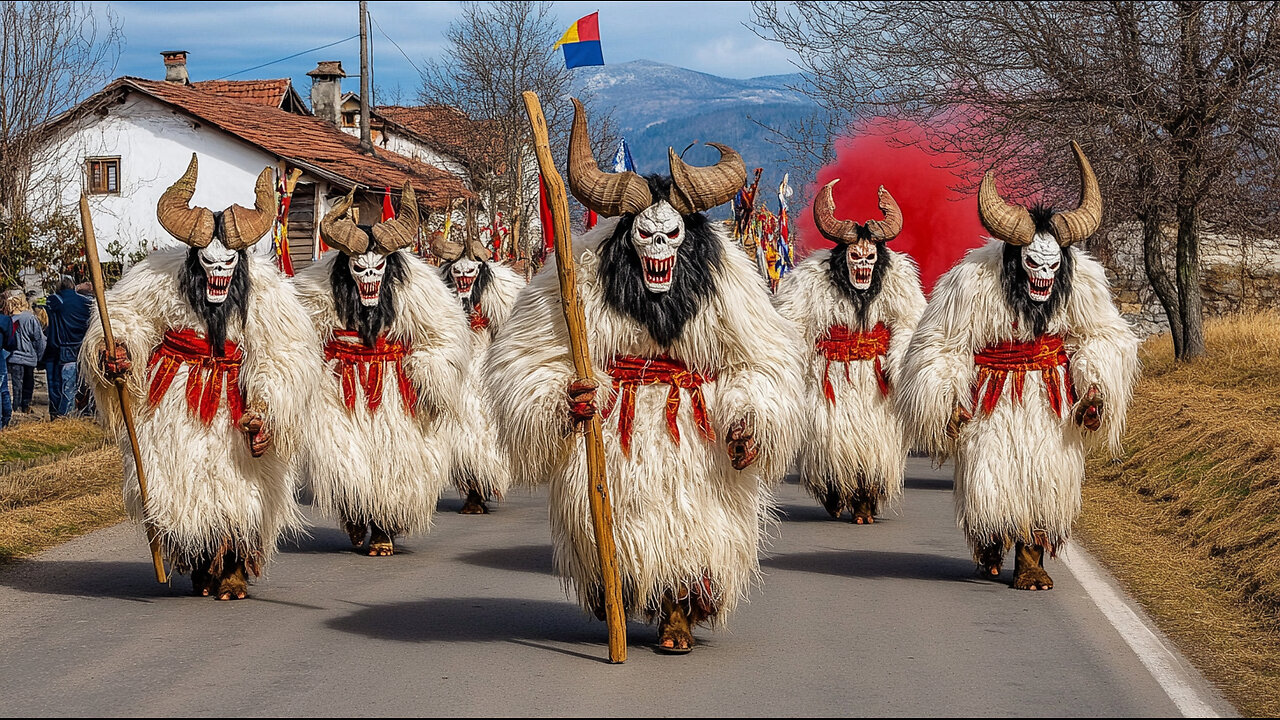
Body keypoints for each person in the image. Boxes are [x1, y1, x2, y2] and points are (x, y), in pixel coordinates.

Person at [485, 100, 804, 653]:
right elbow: (526, 355)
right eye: (646, 236)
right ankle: (632, 592)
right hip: (613, 430)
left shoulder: (728, 280)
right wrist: (563, 399)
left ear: (690, 240)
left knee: (696, 524)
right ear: (626, 238)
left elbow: (763, 359)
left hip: (694, 432)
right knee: (617, 533)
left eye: (671, 237)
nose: (658, 248)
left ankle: (678, 610)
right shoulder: (579, 273)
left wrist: (751, 415)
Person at [897, 142, 1139, 590]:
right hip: (989, 397)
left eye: (1052, 265)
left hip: (1050, 398)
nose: (1043, 274)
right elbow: (939, 342)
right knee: (988, 476)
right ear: (1014, 259)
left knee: (1046, 477)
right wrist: (945, 396)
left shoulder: (1081, 281)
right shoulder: (972, 280)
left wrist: (1095, 385)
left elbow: (1104, 335)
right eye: (1034, 264)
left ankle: (1031, 559)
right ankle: (988, 539)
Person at [82, 154, 321, 599]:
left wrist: (267, 408)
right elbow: (126, 315)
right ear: (193, 258)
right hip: (172, 403)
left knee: (241, 486)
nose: (219, 270)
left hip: (236, 402)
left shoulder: (267, 289)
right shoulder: (159, 275)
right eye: (209, 261)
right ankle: (194, 558)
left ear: (243, 257)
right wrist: (116, 349)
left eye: (229, 261)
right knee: (175, 482)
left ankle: (232, 567)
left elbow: (284, 351)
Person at [293, 184, 470, 556]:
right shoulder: (316, 286)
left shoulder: (419, 286)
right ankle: (354, 510)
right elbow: (296, 335)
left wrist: (431, 375)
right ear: (346, 266)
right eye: (360, 269)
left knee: (396, 461)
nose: (370, 277)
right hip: (339, 387)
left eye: (378, 269)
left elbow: (442, 334)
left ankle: (385, 528)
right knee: (340, 458)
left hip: (395, 388)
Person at [773, 182, 926, 524]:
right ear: (840, 259)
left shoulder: (898, 277)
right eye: (856, 257)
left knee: (878, 442)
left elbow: (910, 323)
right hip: (829, 376)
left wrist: (900, 364)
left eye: (870, 258)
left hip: (876, 378)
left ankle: (868, 497)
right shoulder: (812, 279)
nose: (863, 266)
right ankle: (831, 485)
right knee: (827, 440)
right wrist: (794, 368)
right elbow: (792, 325)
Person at [432, 229, 523, 514]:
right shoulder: (438, 296)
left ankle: (481, 486)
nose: (463, 276)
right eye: (458, 271)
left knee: (485, 428)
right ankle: (466, 483)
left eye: (470, 271)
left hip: (485, 370)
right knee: (454, 430)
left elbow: (510, 333)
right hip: (455, 369)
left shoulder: (500, 293)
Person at [46, 274, 91, 417]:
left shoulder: (57, 300)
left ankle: (64, 417)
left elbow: (47, 301)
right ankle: (82, 414)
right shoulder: (86, 302)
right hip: (82, 347)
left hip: (65, 348)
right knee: (82, 385)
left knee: (66, 386)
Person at [6, 294, 47, 417]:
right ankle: (26, 406)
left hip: (14, 357)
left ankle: (16, 407)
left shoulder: (9, 318)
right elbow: (39, 339)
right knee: (28, 384)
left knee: (16, 384)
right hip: (29, 357)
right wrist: (40, 357)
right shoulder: (30, 318)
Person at [0, 300, 14, 428]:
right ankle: (6, 417)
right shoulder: (5, 320)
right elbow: (11, 342)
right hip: (1, 356)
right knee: (3, 389)